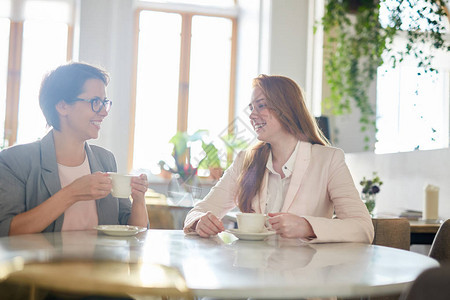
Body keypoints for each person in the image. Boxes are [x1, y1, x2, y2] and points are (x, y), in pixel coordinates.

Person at [184, 74, 374, 243]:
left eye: (261, 105)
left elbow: (363, 228)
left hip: (306, 276)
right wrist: (200, 221)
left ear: (286, 108)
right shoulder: (245, 160)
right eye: (251, 107)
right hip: (253, 274)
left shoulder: (329, 160)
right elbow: (197, 211)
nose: (251, 115)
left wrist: (307, 226)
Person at [0, 62, 149, 236]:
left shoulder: (105, 159)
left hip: (102, 263)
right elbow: (6, 230)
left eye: (104, 102)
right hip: (41, 264)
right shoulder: (15, 161)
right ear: (62, 106)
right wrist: (72, 193)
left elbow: (132, 230)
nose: (104, 112)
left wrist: (139, 200)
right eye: (95, 102)